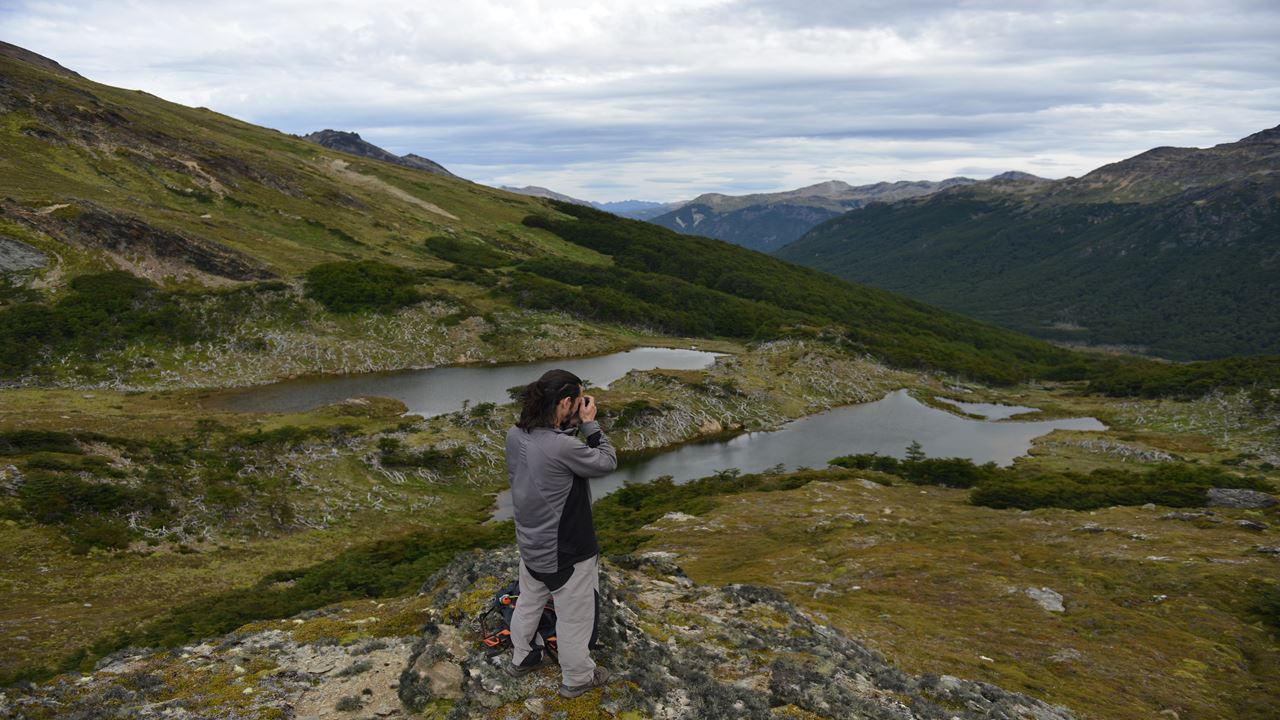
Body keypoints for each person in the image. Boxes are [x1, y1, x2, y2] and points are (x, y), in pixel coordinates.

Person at [503, 368, 617, 698]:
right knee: (574, 619)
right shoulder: (561, 446)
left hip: (532, 546)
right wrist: (590, 425)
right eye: (578, 400)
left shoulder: (515, 434)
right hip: (568, 552)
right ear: (566, 402)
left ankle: (522, 657)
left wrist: (568, 423)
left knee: (528, 602)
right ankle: (578, 678)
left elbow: (550, 450)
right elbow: (606, 462)